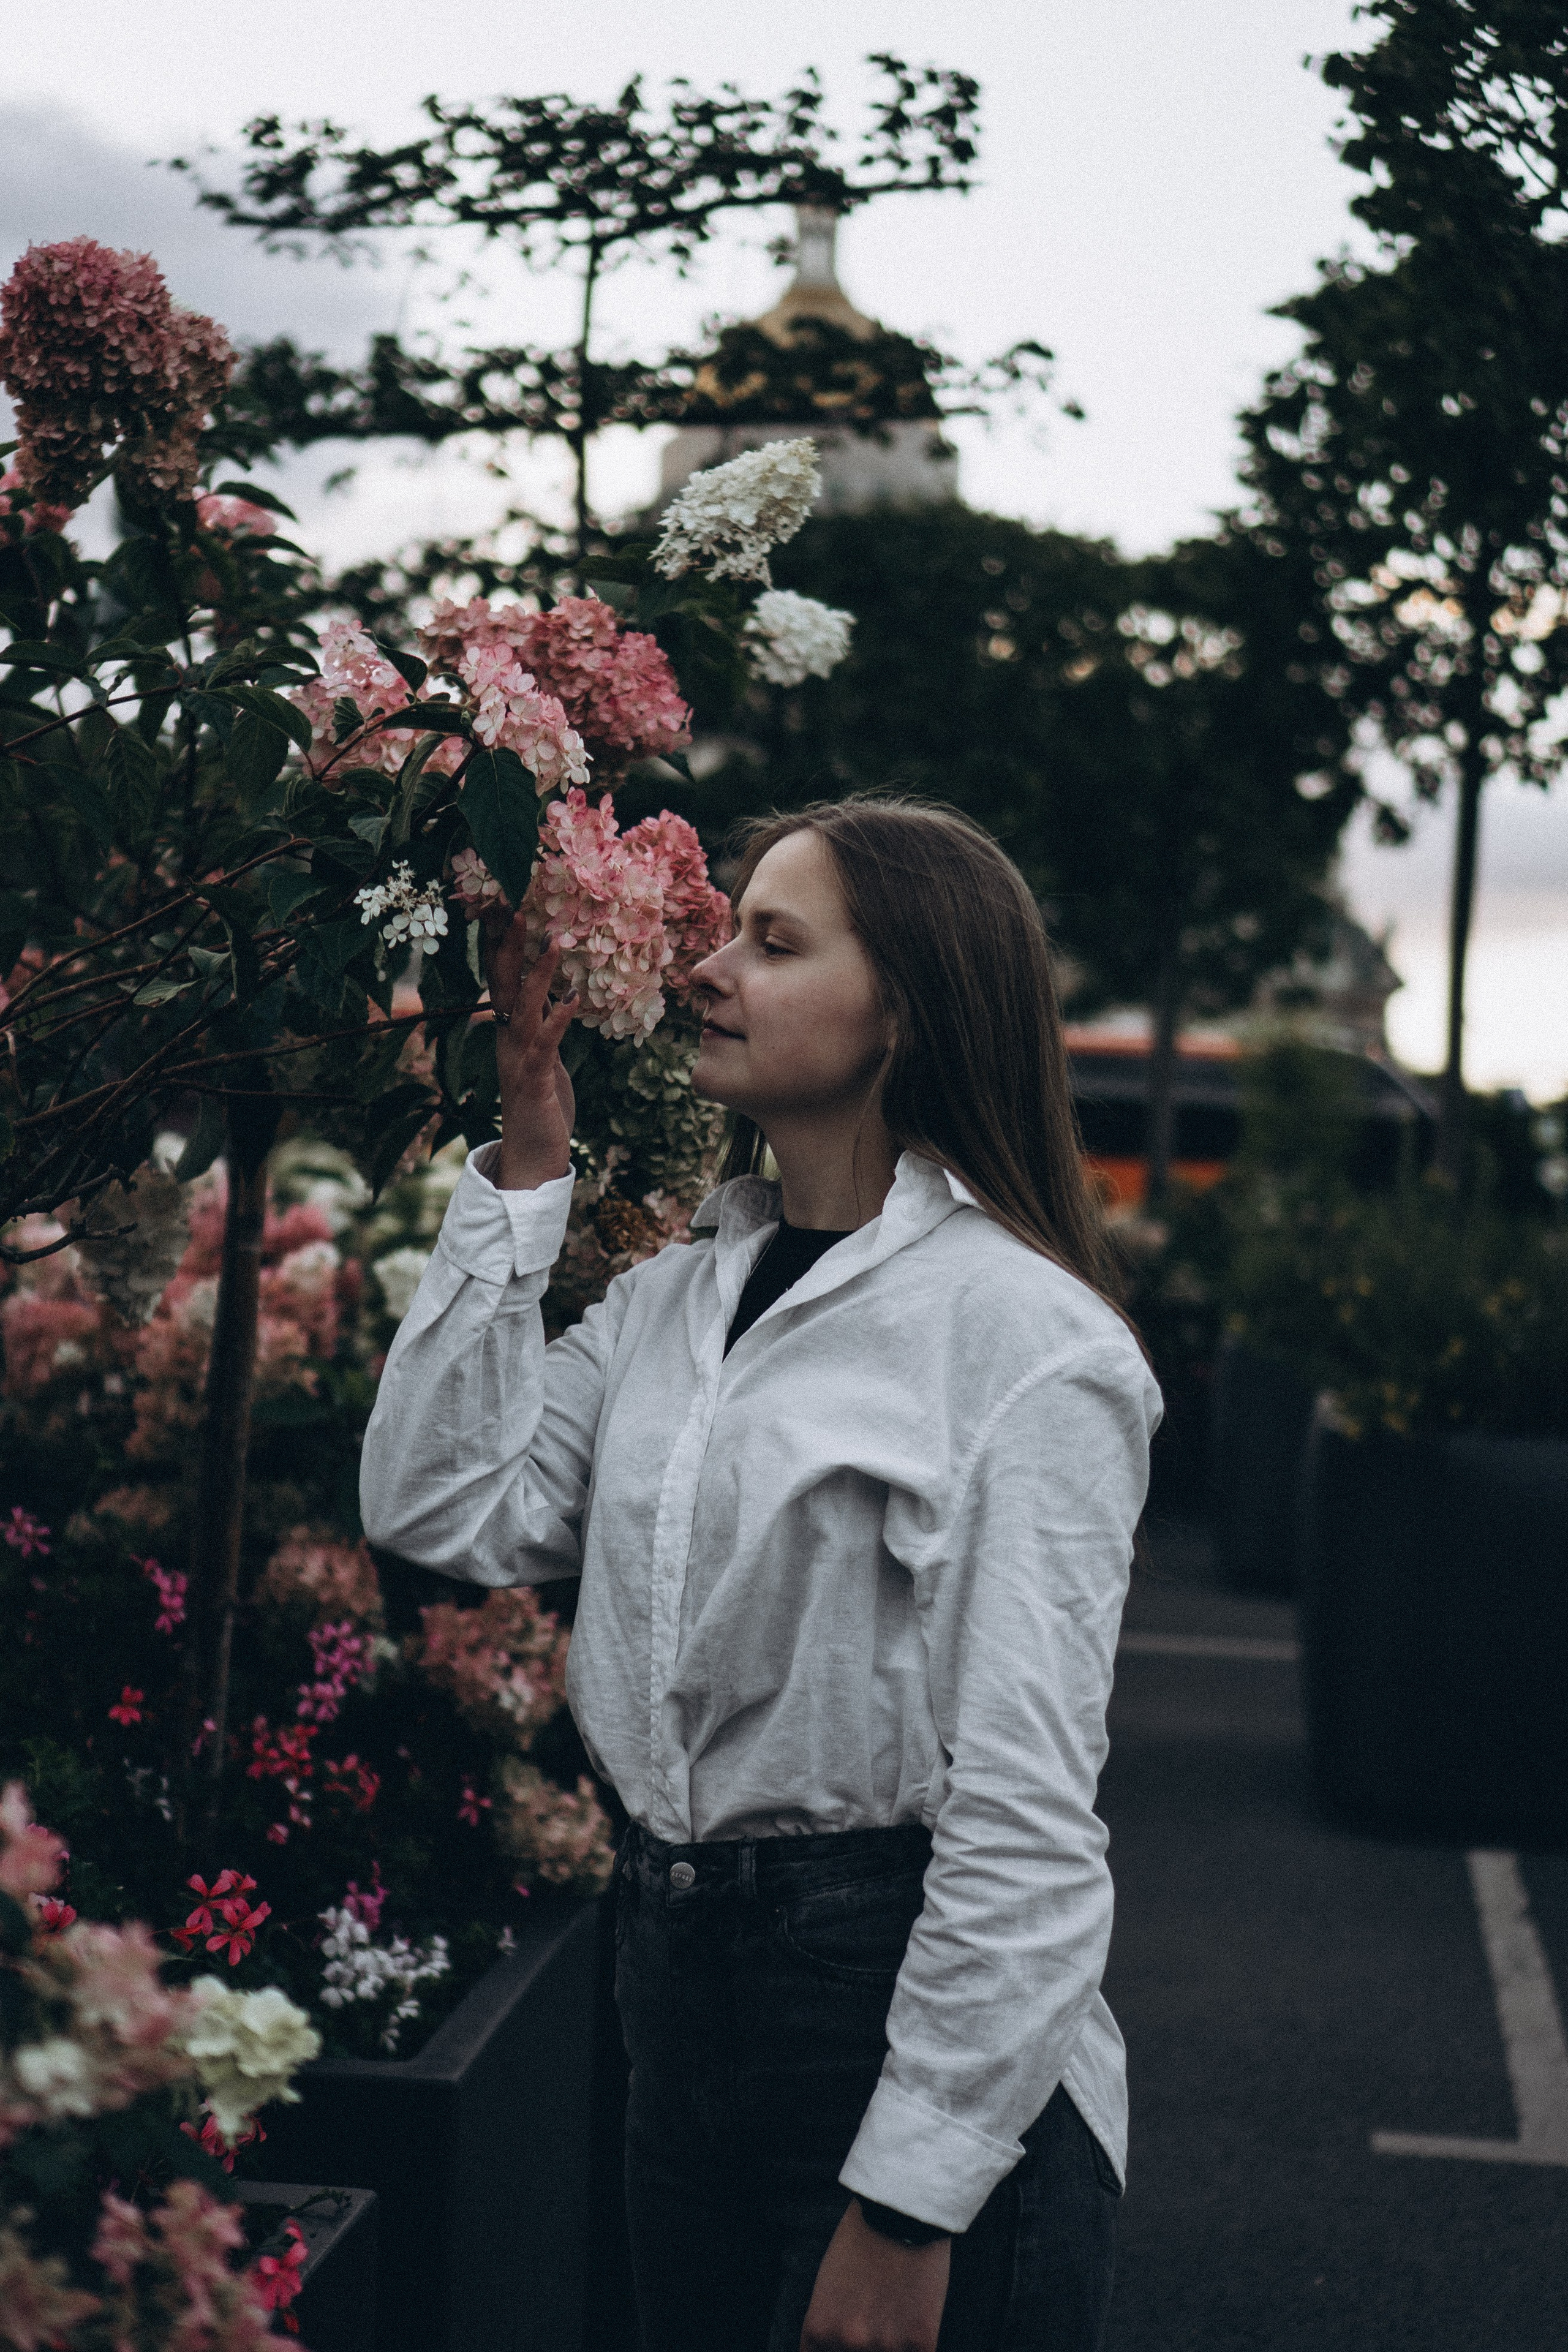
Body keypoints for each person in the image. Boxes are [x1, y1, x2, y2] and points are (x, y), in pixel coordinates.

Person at [360, 796, 1161, 2352]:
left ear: (905, 1014)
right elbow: (443, 1508)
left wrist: (912, 2201)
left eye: (770, 942)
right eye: (725, 929)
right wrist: (530, 1144)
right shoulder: (674, 1300)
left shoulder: (1026, 1343)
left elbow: (1025, 1820)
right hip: (672, 2000)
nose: (708, 971)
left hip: (888, 2014)